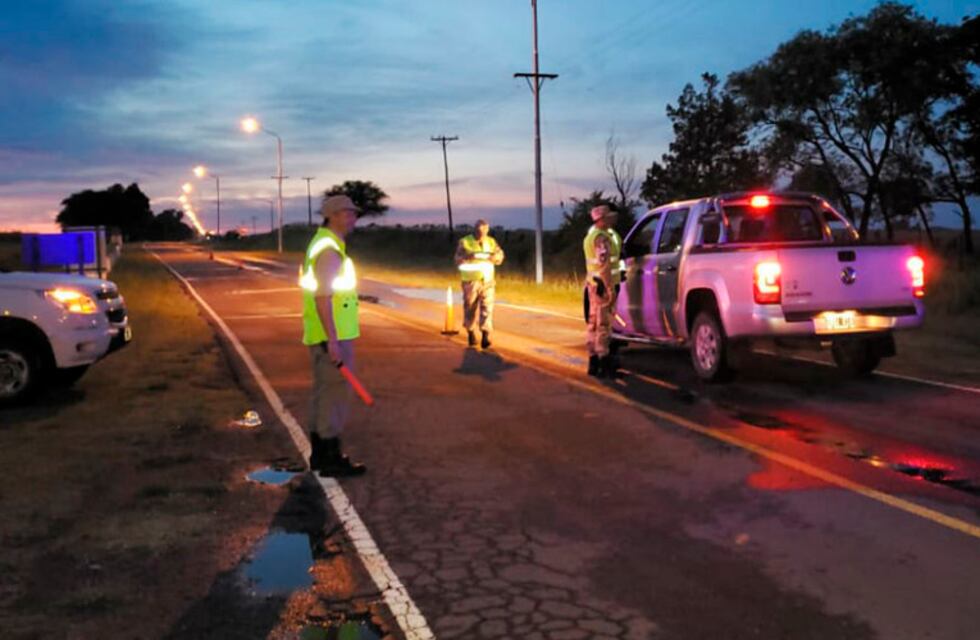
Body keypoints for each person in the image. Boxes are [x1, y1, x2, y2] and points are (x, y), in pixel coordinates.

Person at [299, 194, 366, 477]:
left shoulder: (326, 244)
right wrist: (335, 340)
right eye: (348, 213)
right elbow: (323, 297)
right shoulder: (328, 249)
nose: (353, 218)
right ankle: (330, 458)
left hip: (322, 335)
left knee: (323, 393)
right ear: (334, 215)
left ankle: (319, 455)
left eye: (354, 213)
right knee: (334, 396)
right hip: (331, 337)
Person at [582, 205, 622, 377]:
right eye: (610, 215)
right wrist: (610, 288)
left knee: (593, 323)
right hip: (602, 286)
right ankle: (604, 364)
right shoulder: (601, 238)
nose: (614, 217)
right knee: (603, 325)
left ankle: (593, 362)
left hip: (593, 284)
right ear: (602, 218)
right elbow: (604, 264)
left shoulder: (591, 236)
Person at [454, 219, 505, 349]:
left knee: (487, 308)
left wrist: (495, 258)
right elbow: (457, 259)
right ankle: (470, 332)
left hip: (487, 281)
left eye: (484, 230)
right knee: (470, 308)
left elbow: (500, 255)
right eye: (479, 230)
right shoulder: (465, 242)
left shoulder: (491, 242)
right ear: (474, 229)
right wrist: (468, 258)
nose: (481, 233)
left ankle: (485, 336)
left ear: (487, 230)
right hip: (471, 281)